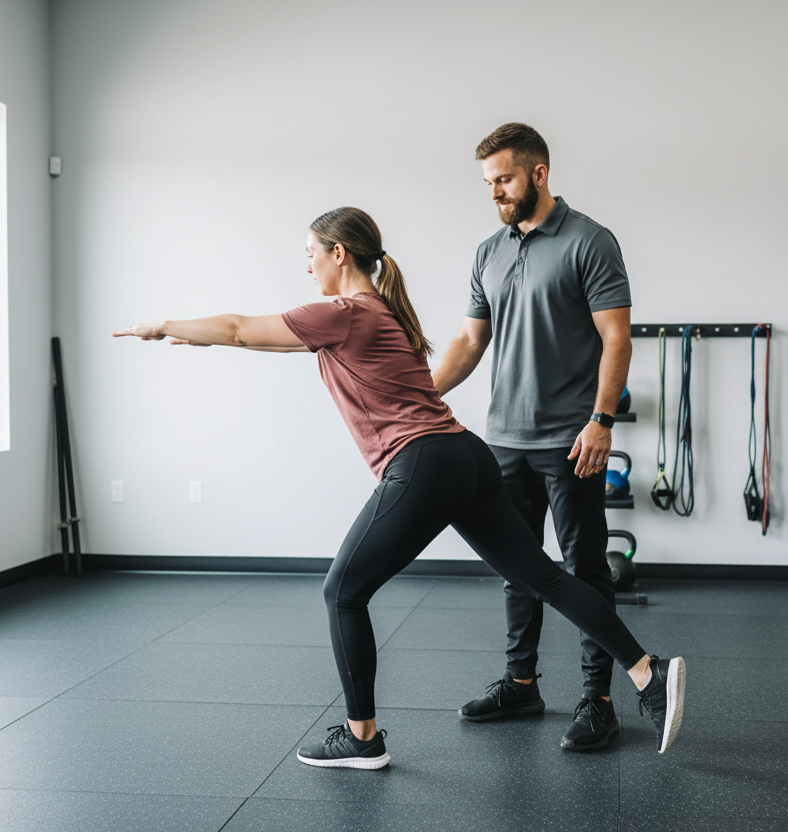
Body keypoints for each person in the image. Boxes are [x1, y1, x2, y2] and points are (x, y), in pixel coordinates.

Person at [112, 207, 683, 771]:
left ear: (339, 254)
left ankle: (361, 738)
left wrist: (161, 325)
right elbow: (264, 341)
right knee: (545, 577)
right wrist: (203, 340)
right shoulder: (378, 309)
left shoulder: (342, 312)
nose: (307, 267)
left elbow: (241, 327)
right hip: (466, 456)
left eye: (311, 255)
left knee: (342, 593)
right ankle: (646, 672)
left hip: (423, 464)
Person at [432, 123, 633, 751]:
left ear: (539, 174)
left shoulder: (590, 241)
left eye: (505, 179)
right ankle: (521, 683)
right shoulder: (488, 252)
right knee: (515, 567)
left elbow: (617, 338)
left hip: (572, 440)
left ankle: (598, 699)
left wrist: (602, 421)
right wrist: (421, 395)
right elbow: (470, 341)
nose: (494, 191)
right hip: (504, 439)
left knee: (585, 568)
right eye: (488, 182)